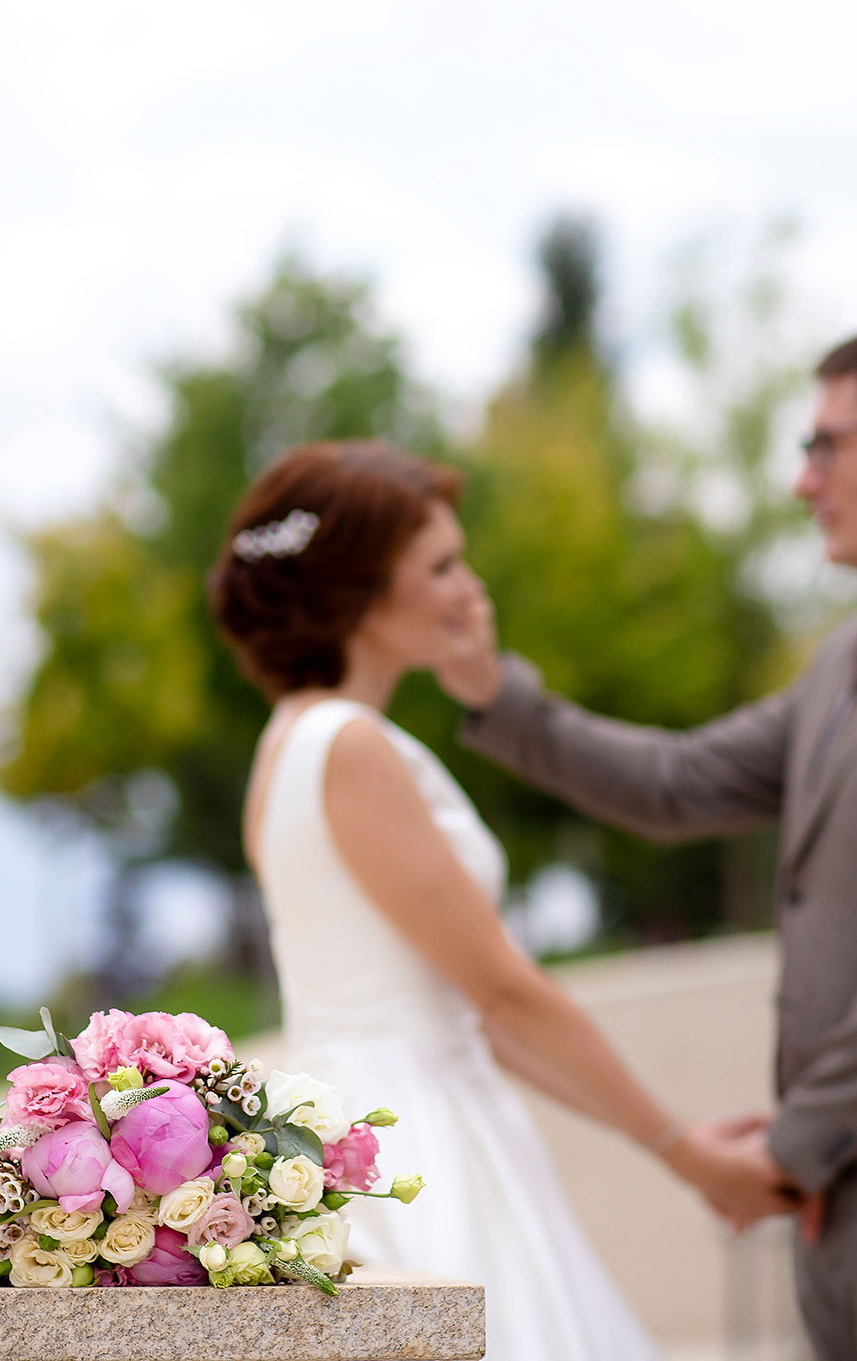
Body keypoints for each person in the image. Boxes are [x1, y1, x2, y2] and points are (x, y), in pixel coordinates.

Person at [436, 318, 857, 1361]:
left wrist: (792, 1150)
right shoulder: (855, 649)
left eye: (826, 445)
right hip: (839, 1212)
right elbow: (676, 782)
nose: (804, 482)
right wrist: (494, 694)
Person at [208, 441, 784, 1361]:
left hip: (354, 1117)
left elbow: (490, 1019)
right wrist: (686, 1151)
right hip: (410, 1143)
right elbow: (505, 995)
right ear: (359, 589)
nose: (467, 588)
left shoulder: (284, 744)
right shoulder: (353, 746)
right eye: (440, 565)